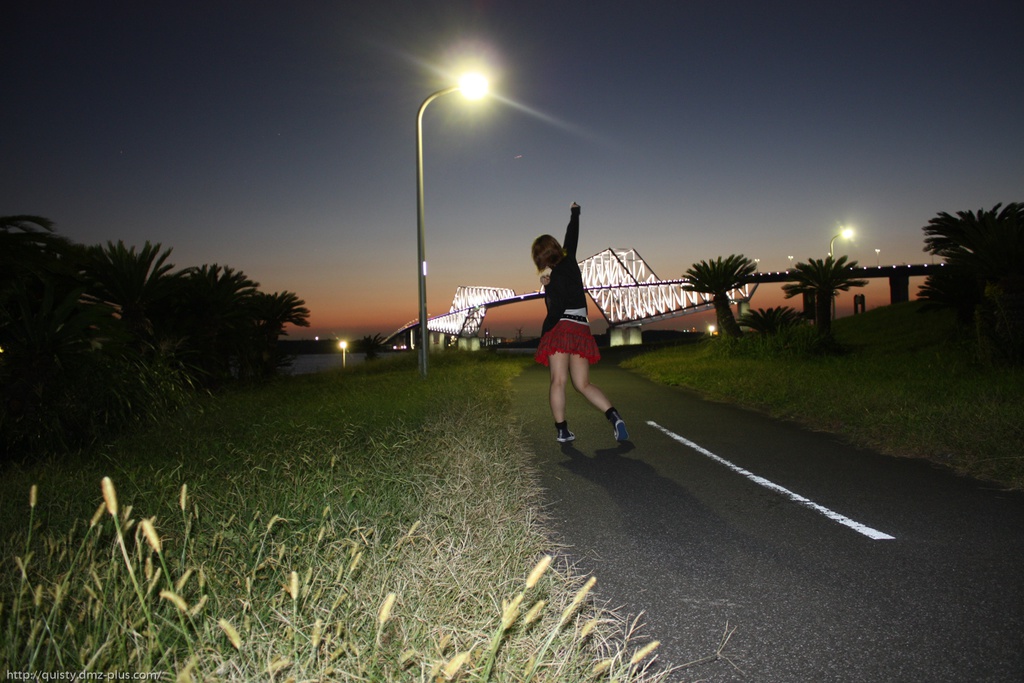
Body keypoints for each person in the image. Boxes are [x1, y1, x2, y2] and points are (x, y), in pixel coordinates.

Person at [532, 202, 629, 443]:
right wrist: (575, 212)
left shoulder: (550, 279)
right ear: (556, 247)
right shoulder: (569, 260)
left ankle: (563, 430)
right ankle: (614, 416)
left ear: (539, 257)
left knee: (559, 381)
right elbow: (572, 233)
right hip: (581, 327)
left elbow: (554, 311)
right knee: (583, 383)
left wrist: (546, 331)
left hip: (562, 326)